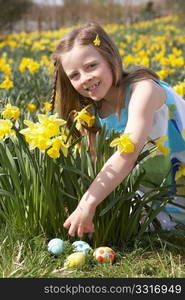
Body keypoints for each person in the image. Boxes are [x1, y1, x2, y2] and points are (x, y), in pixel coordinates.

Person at [50, 22, 185, 237]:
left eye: (91, 66)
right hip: (152, 187)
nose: (85, 78)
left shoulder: (143, 90)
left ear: (110, 57)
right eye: (74, 75)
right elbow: (96, 164)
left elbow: (127, 153)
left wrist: (87, 204)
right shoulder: (91, 111)